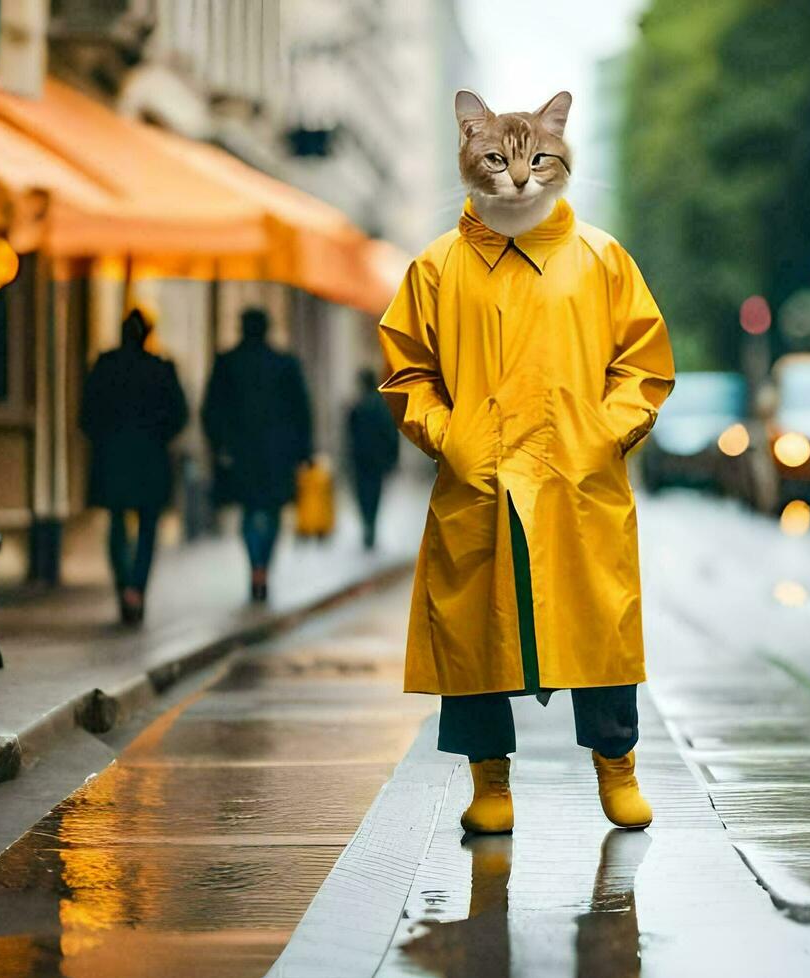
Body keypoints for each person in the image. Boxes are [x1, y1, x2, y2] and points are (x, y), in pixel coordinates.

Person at [379, 89, 674, 835]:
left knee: (599, 627)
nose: (517, 178)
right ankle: (489, 784)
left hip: (578, 477)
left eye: (538, 158)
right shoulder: (438, 266)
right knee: (477, 638)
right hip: (478, 481)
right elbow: (407, 371)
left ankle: (618, 768)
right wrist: (452, 438)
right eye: (497, 161)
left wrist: (603, 435)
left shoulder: (602, 257)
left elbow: (643, 364)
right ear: (470, 157)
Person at [79, 309, 188, 625]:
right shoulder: (161, 369)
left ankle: (123, 584)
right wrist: (158, 436)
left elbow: (86, 414)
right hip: (150, 459)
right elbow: (178, 415)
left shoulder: (105, 367)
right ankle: (137, 589)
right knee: (147, 527)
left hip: (112, 458)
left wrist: (104, 438)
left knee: (116, 523)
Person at [202, 308, 313, 602]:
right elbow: (302, 412)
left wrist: (218, 446)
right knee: (273, 513)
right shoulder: (285, 364)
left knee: (249, 512)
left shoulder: (227, 363)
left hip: (241, 454)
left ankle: (255, 567)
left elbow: (210, 410)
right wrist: (304, 452)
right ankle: (263, 567)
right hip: (279, 455)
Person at [346, 368, 401, 550]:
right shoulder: (381, 406)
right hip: (375, 461)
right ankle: (370, 525)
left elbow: (350, 435)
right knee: (373, 495)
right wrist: (392, 457)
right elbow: (391, 434)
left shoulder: (359, 406)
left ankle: (368, 524)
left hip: (362, 460)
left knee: (363, 495)